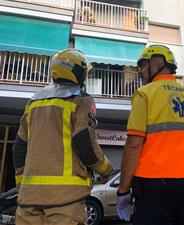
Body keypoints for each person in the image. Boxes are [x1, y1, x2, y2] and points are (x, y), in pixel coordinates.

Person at [12, 48, 113, 225]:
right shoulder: (81, 100)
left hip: (29, 200)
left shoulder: (33, 102)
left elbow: (19, 147)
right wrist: (106, 170)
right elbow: (84, 142)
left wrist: (22, 184)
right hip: (65, 200)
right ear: (78, 72)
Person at [116, 45, 184, 225]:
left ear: (157, 63)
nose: (141, 72)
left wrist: (123, 190)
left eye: (143, 66)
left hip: (154, 188)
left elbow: (134, 144)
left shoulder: (145, 94)